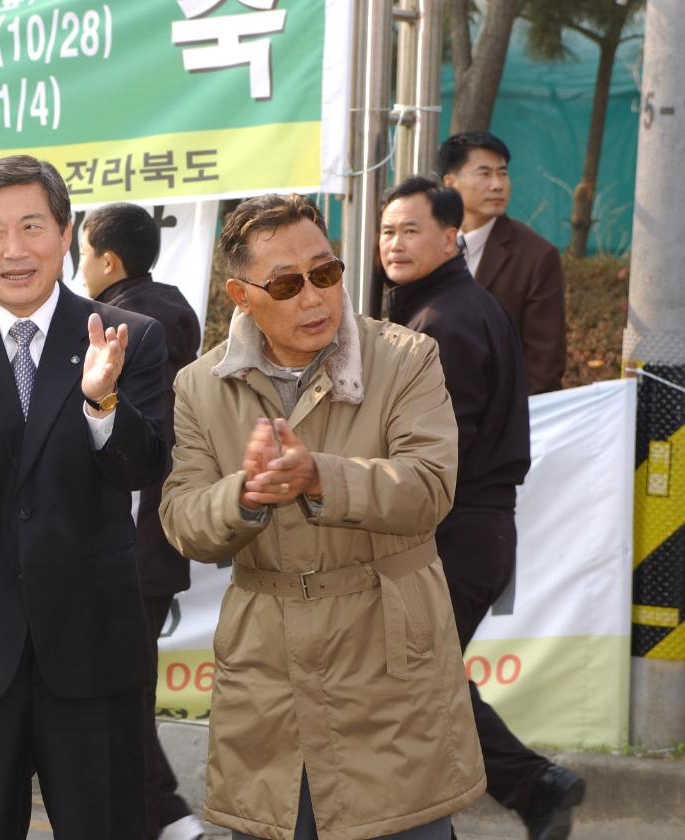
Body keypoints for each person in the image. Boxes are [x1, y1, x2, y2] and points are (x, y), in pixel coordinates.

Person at [159, 193, 484, 840]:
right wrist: (246, 494)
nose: (313, 297)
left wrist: (319, 477)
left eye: (325, 273)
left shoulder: (406, 358)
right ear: (240, 295)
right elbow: (183, 518)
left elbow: (429, 488)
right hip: (267, 667)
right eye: (285, 283)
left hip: (385, 655)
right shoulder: (200, 385)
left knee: (403, 824)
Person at [0, 155, 169, 840]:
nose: (14, 250)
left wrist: (102, 399)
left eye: (32, 226)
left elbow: (144, 465)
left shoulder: (125, 337)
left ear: (66, 232)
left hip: (94, 646)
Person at [380, 177, 586, 840]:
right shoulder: (443, 310)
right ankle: (530, 790)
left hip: (451, 532)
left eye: (411, 230)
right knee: (421, 683)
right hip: (468, 530)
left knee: (413, 681)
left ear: (450, 238)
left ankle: (531, 787)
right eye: (387, 230)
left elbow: (442, 454)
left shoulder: (445, 322)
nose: (395, 243)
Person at [78, 202, 204, 840]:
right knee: (117, 689)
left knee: (111, 695)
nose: (78, 270)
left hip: (124, 542)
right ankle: (161, 815)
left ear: (107, 260)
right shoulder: (179, 318)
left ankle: (168, 816)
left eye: (82, 254)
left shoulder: (112, 330)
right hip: (156, 543)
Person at [439, 131, 567, 394]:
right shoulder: (432, 245)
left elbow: (544, 366)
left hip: (497, 420)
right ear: (451, 184)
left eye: (503, 173)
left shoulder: (537, 256)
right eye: (485, 174)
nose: (497, 185)